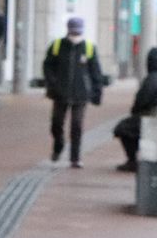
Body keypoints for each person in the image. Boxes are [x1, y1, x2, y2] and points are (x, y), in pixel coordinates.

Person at [41, 16, 107, 169]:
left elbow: (95, 72)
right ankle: (58, 145)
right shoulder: (57, 45)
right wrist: (52, 82)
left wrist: (97, 92)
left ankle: (75, 157)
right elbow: (47, 66)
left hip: (81, 93)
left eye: (78, 32)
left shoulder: (89, 48)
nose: (75, 36)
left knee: (77, 124)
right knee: (56, 123)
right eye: (73, 32)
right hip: (60, 92)